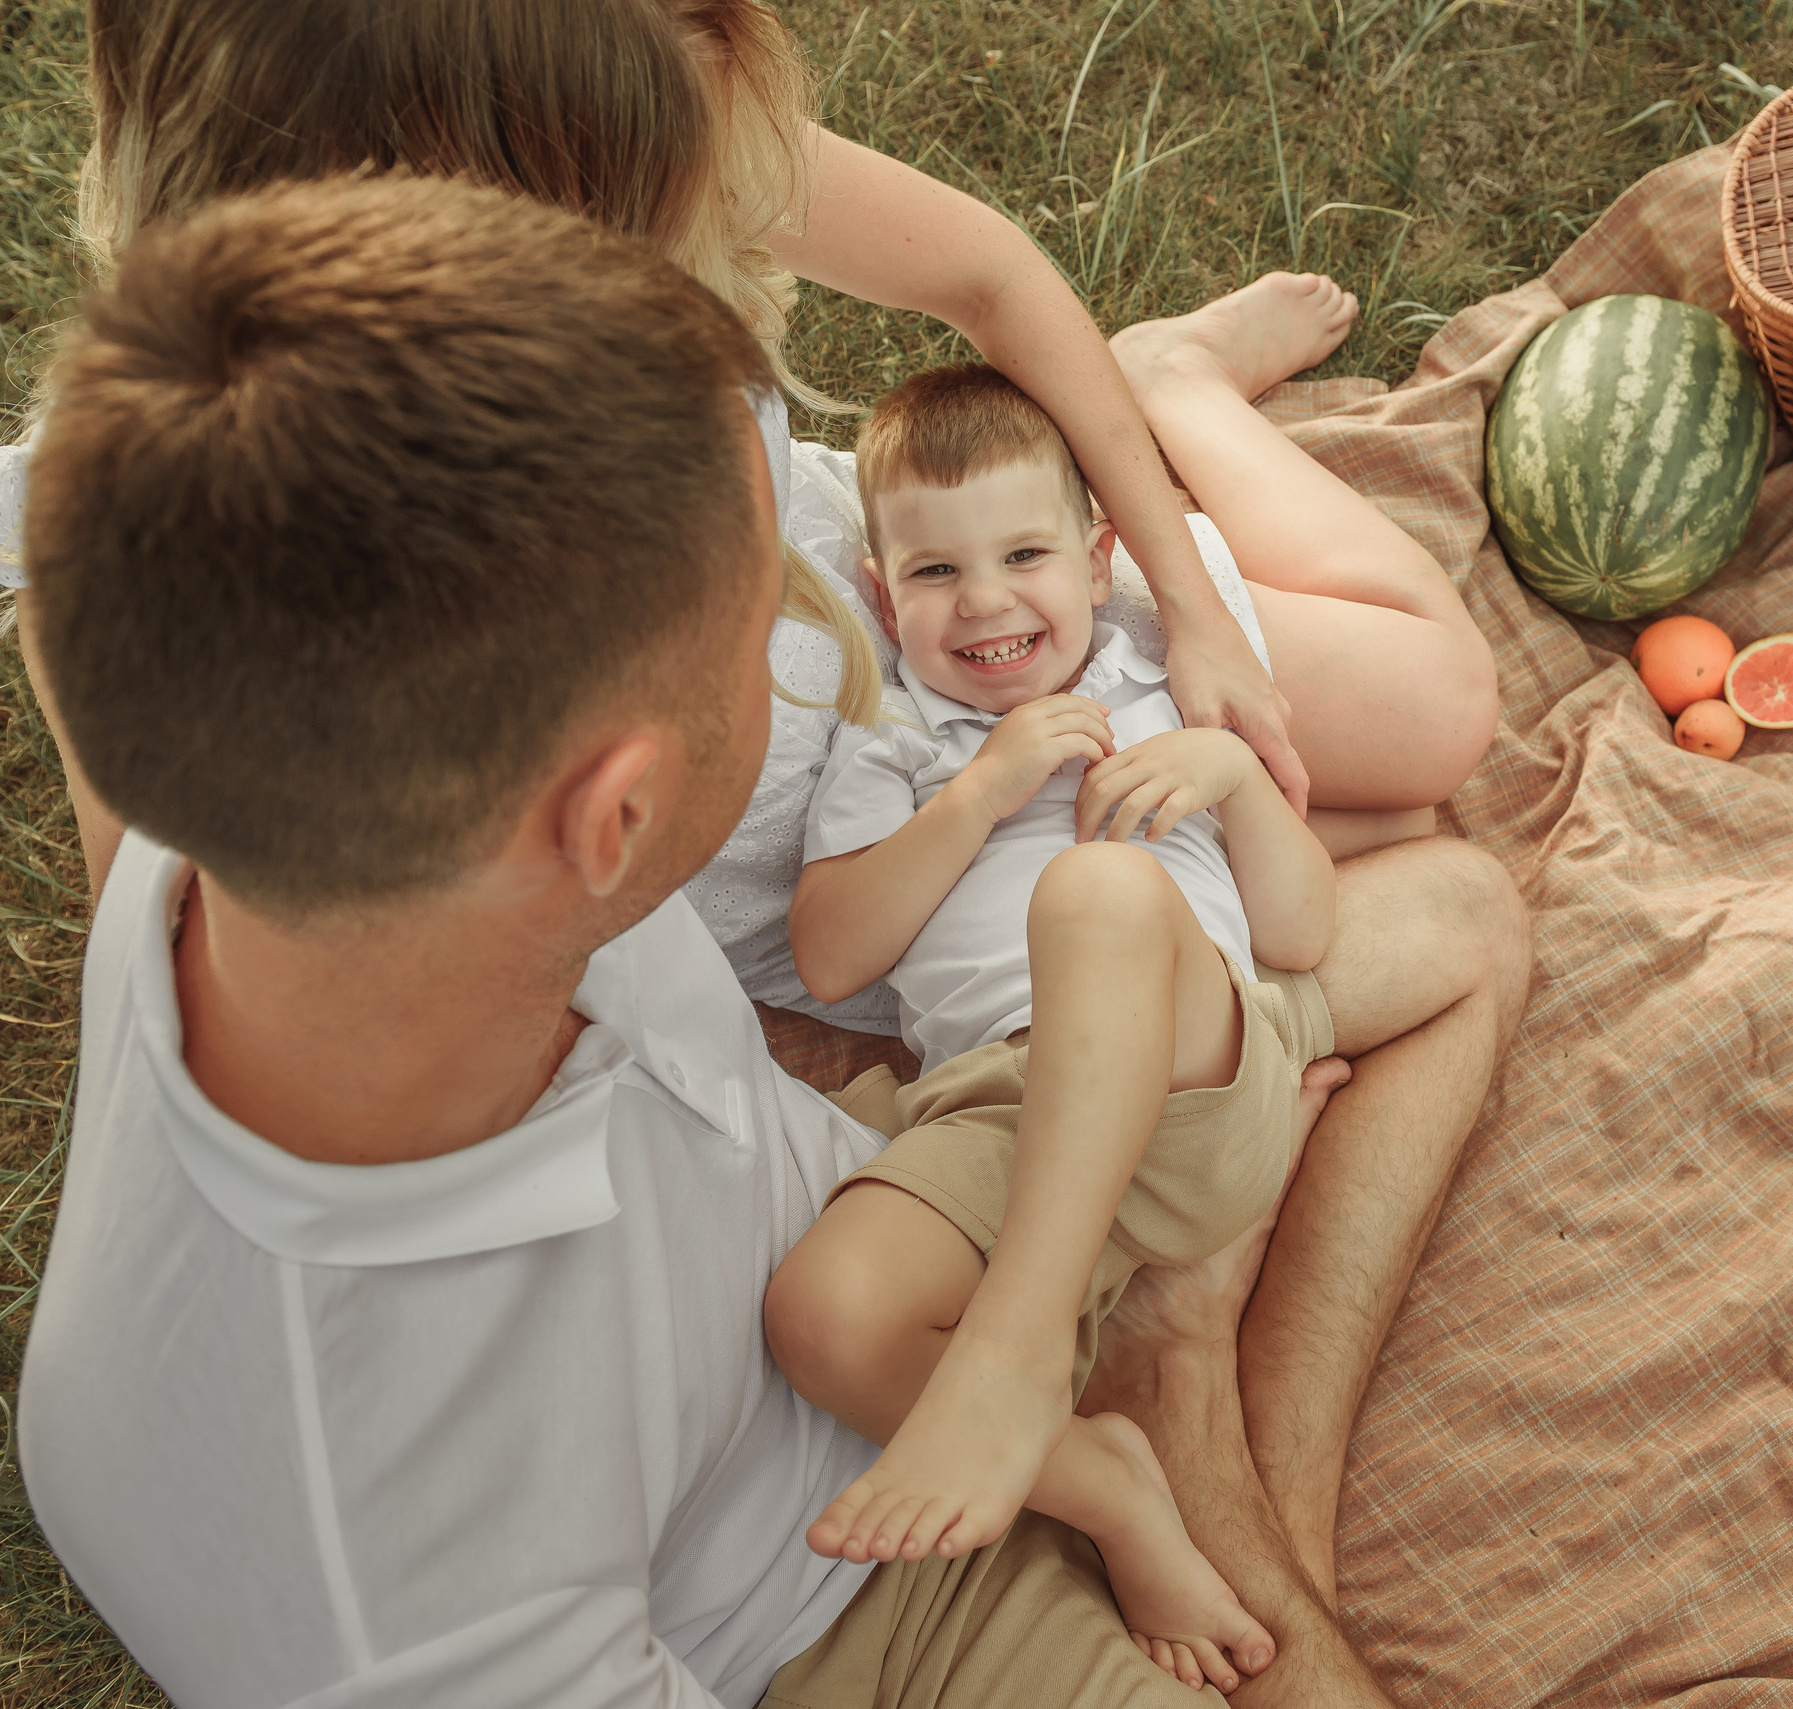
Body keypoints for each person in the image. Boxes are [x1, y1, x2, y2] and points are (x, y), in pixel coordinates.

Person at [17, 175, 1530, 1707]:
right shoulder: (403, 1610)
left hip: (922, 1195)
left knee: (1458, 903)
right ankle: (1172, 1391)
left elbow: (56, 530)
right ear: (619, 814)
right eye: (779, 625)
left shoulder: (225, 813)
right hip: (850, 1609)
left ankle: (1191, 1363)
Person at [9, 0, 1499, 939]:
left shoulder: (617, 65)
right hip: (792, 867)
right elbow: (205, 946)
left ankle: (1173, 386)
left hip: (912, 615)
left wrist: (1187, 600)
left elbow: (986, 274)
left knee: (1437, 718)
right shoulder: (185, 506)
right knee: (1352, 849)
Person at [769, 364, 1333, 1684]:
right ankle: (1107, 1482)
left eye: (1024, 554)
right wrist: (980, 788)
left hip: (1194, 1093)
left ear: (1098, 560)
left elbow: (1304, 932)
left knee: (1098, 894)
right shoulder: (896, 731)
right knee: (823, 1316)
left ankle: (1016, 1359)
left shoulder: (1159, 679)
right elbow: (832, 948)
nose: (984, 603)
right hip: (1004, 1116)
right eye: (933, 574)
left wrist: (1238, 777)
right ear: (875, 591)